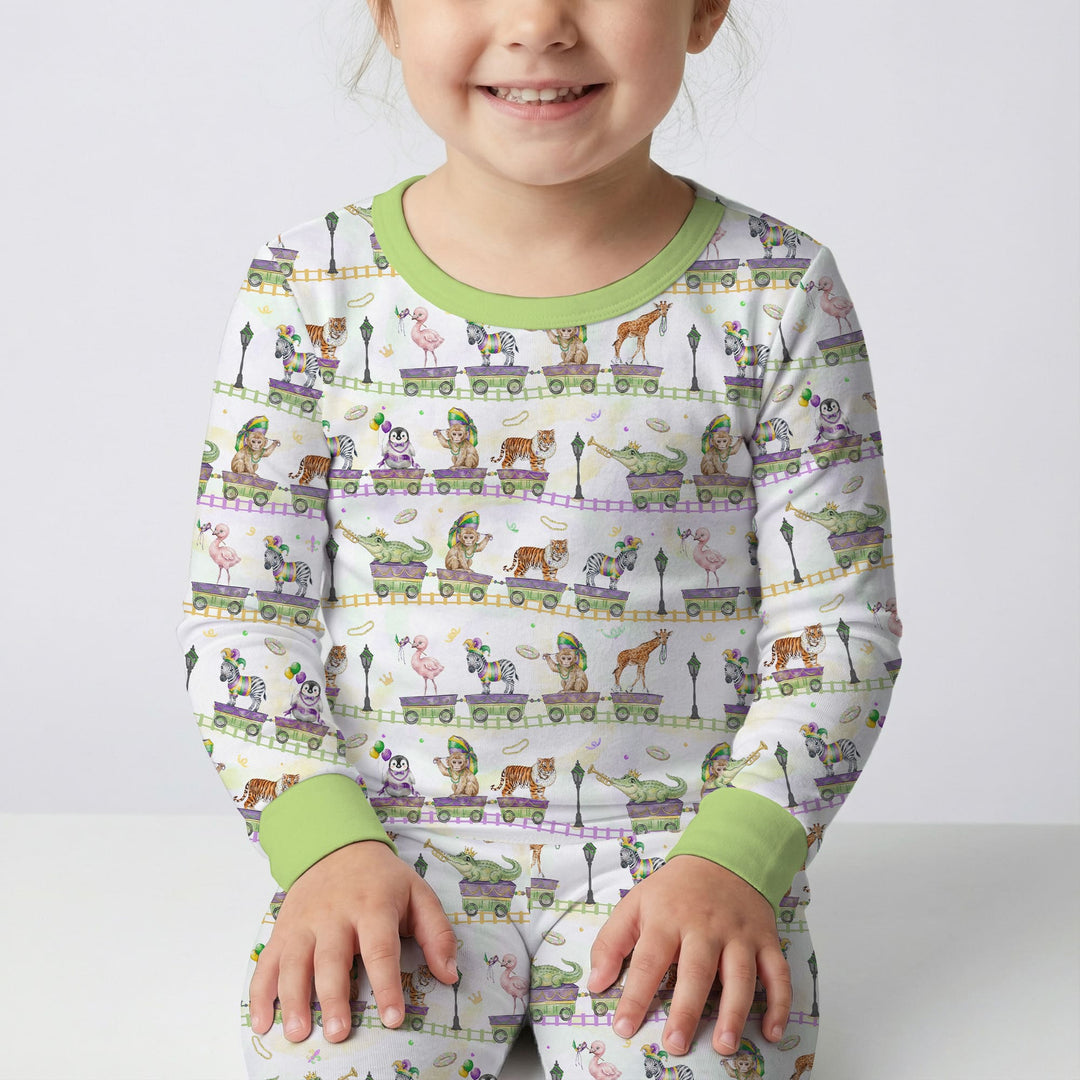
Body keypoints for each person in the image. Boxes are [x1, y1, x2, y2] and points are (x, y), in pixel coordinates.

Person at [173, 2, 904, 1077]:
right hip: (393, 862)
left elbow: (838, 626)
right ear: (388, 14)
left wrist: (735, 861)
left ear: (704, 10)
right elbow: (245, 618)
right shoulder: (307, 289)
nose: (536, 23)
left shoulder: (777, 292)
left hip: (680, 866)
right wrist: (325, 849)